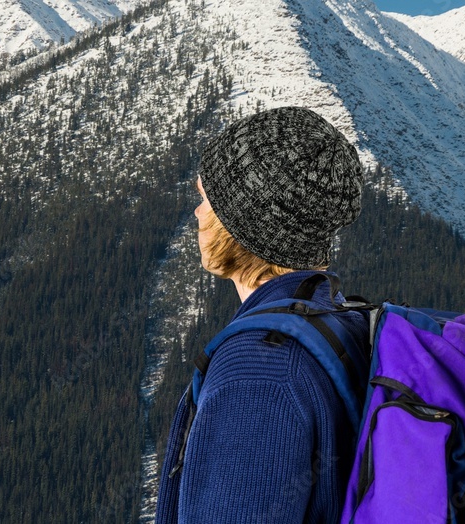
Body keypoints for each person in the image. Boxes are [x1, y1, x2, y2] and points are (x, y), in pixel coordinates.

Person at [156, 106, 369, 523]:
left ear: (245, 224)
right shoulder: (339, 323)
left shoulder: (260, 373)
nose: (198, 214)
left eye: (206, 199)